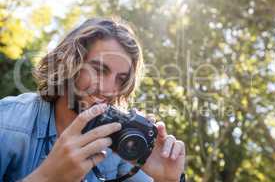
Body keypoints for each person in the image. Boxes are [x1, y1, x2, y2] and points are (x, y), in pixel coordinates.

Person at [0, 18, 185, 182]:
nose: (109, 89)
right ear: (69, 63)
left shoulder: (120, 146)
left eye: (120, 79)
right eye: (99, 70)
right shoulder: (7, 123)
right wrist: (47, 177)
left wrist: (168, 179)